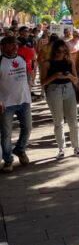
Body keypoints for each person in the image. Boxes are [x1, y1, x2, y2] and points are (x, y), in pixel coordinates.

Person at [40, 39, 79, 159]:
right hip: (54, 90)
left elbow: (76, 79)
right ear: (54, 51)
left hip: (69, 89)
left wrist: (70, 76)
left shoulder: (69, 62)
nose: (61, 54)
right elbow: (42, 82)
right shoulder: (47, 63)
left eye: (64, 51)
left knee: (73, 121)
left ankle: (76, 147)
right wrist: (54, 76)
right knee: (58, 122)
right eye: (59, 51)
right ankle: (61, 149)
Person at [0, 36, 32, 171]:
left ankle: (20, 149)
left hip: (24, 101)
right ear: (3, 47)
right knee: (6, 133)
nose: (15, 47)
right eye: (11, 45)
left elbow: (26, 77)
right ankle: (8, 160)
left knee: (28, 128)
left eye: (16, 45)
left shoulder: (21, 59)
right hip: (6, 104)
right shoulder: (0, 62)